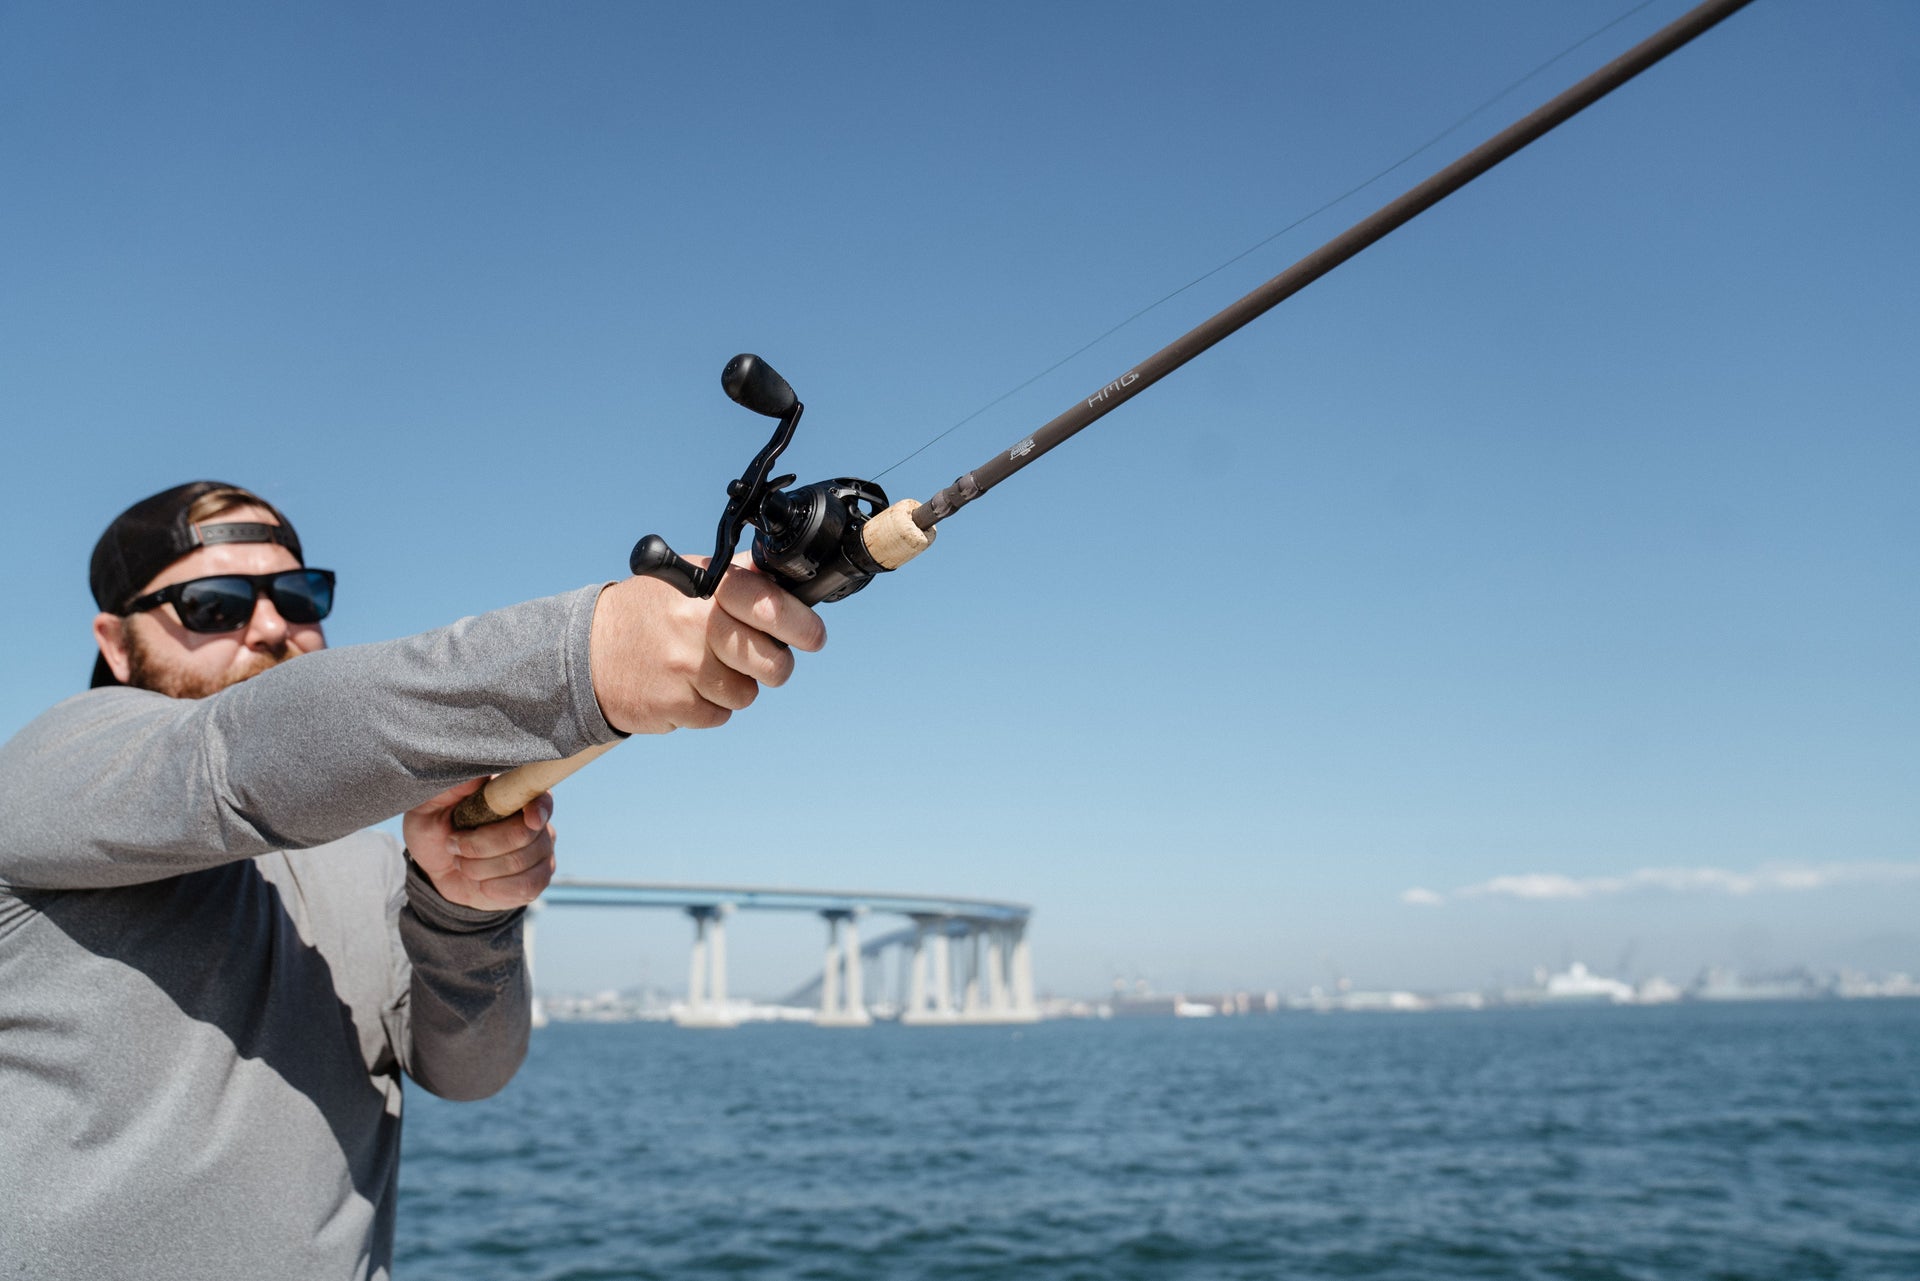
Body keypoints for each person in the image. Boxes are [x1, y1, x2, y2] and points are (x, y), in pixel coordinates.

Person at [0, 480, 824, 1280]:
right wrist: (583, 657)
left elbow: (467, 1071)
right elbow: (232, 753)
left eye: (298, 595)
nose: (271, 626)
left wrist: (463, 914)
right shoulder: (54, 769)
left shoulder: (364, 862)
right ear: (115, 643)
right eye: (213, 605)